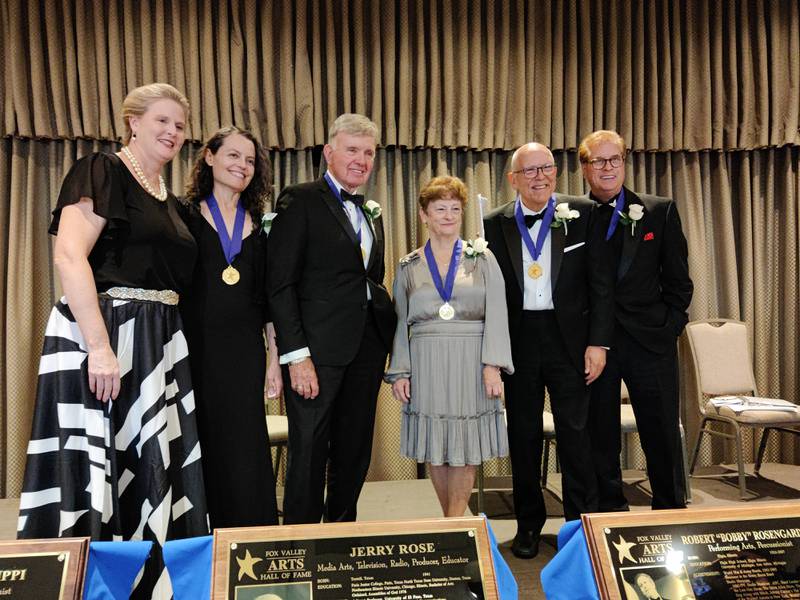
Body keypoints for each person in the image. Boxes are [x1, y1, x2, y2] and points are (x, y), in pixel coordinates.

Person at [18, 83, 208, 597]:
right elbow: (69, 256)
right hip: (106, 335)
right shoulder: (102, 170)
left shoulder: (170, 198)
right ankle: (93, 583)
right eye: (162, 121)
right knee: (101, 467)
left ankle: (152, 581)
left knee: (151, 466)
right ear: (133, 121)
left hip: (158, 342)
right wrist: (100, 348)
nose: (172, 132)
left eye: (180, 125)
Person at [483, 142, 614, 558]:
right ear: (513, 178)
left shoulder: (583, 213)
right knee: (523, 437)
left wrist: (598, 342)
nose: (540, 176)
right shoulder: (493, 223)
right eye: (531, 170)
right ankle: (527, 527)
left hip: (570, 341)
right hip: (519, 341)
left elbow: (601, 284)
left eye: (547, 168)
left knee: (576, 434)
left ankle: (580, 529)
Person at [267, 113, 397, 524]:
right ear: (329, 152)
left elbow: (368, 280)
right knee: (309, 448)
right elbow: (280, 285)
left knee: (354, 447)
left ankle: (342, 534)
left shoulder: (371, 212)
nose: (361, 159)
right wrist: (296, 355)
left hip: (366, 348)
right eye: (352, 150)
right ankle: (300, 541)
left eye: (368, 152)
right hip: (316, 353)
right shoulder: (300, 199)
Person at [385, 176, 513, 517]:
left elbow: (498, 313)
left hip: (472, 360)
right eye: (440, 208)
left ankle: (457, 524)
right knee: (436, 446)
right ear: (425, 215)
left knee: (465, 446)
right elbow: (399, 321)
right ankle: (449, 521)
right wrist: (400, 370)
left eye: (455, 209)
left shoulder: (483, 258)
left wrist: (493, 365)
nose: (448, 215)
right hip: (426, 361)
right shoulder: (408, 265)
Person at [579, 130, 693, 511]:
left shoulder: (659, 211)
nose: (608, 168)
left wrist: (669, 327)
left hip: (651, 344)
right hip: (596, 347)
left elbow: (679, 282)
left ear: (625, 162)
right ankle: (610, 516)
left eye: (616, 159)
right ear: (584, 168)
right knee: (600, 438)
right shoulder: (572, 217)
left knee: (661, 434)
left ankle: (671, 513)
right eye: (599, 161)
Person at [181, 126, 283, 529]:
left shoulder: (262, 223)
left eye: (250, 160)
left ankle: (249, 536)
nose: (242, 166)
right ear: (209, 157)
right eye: (233, 156)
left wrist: (274, 359)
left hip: (245, 351)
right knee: (200, 437)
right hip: (193, 346)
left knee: (244, 443)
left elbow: (269, 301)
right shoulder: (182, 215)